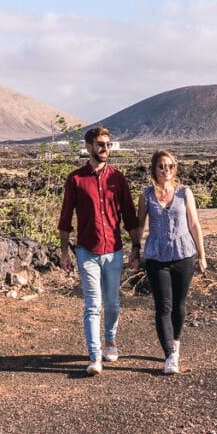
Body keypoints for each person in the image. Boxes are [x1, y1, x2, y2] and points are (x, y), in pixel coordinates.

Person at [58, 125, 142, 375]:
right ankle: (95, 356)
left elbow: (129, 216)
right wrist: (64, 252)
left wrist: (135, 248)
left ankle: (110, 340)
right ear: (89, 148)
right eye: (101, 145)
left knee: (113, 303)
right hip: (87, 251)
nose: (106, 149)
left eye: (108, 145)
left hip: (114, 250)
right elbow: (65, 218)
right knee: (93, 305)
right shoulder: (76, 179)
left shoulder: (118, 178)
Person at [137, 148, 207, 375]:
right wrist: (135, 249)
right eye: (161, 166)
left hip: (184, 254)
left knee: (179, 305)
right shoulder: (146, 195)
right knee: (163, 306)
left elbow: (194, 224)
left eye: (170, 166)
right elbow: (139, 225)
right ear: (154, 169)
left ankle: (175, 341)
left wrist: (202, 255)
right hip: (157, 256)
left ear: (175, 168)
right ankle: (169, 355)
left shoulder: (184, 193)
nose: (166, 170)